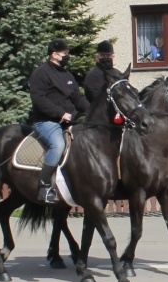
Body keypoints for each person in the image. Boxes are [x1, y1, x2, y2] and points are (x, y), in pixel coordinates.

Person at [28, 38, 89, 203]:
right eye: (65, 54)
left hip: (69, 121)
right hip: (47, 121)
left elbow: (77, 97)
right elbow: (38, 99)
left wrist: (91, 110)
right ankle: (44, 187)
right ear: (54, 55)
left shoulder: (67, 75)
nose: (68, 56)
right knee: (58, 145)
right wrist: (60, 113)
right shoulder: (40, 73)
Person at [81, 40, 120, 121]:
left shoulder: (118, 74)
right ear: (97, 57)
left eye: (108, 55)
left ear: (113, 56)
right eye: (102, 55)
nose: (105, 58)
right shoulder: (93, 75)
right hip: (100, 117)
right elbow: (98, 98)